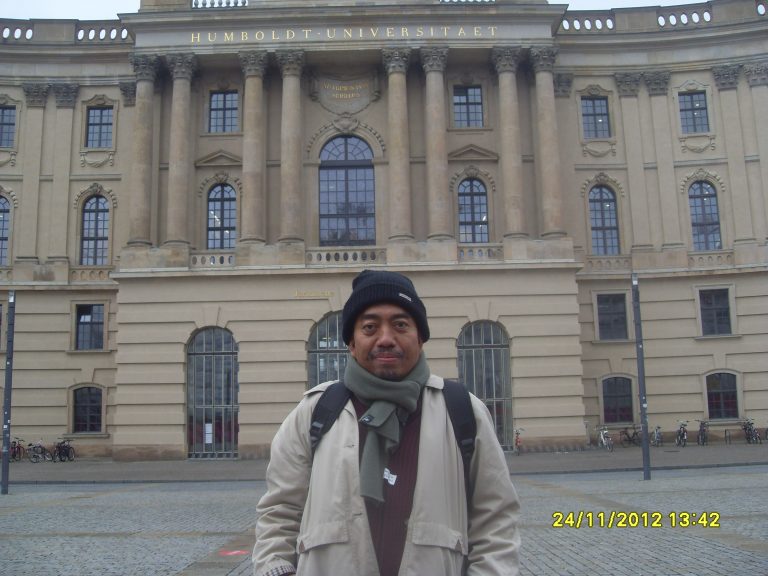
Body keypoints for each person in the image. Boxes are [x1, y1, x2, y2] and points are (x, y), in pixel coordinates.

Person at [252, 270, 520, 576]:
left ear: (420, 338)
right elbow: (279, 513)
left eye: (401, 325)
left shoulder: (462, 411)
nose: (386, 339)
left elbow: (495, 519)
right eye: (369, 327)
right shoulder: (314, 413)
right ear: (351, 343)